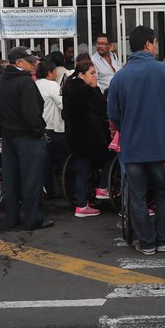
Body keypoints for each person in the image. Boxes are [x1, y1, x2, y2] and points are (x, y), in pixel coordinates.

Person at [106, 25, 165, 256]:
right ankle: (164, 240)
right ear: (148, 44)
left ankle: (146, 243)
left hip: (133, 148)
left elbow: (113, 114)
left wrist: (128, 128)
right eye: (155, 43)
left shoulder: (120, 76)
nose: (157, 47)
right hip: (161, 147)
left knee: (137, 196)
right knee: (164, 193)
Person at [0, 46, 51, 231]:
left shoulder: (2, 80)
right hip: (27, 137)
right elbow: (31, 114)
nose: (35, 64)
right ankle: (33, 220)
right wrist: (39, 132)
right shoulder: (25, 82)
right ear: (19, 63)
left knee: (11, 181)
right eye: (31, 61)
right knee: (32, 180)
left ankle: (11, 218)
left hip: (8, 136)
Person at [62, 59, 111, 217]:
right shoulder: (86, 90)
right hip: (91, 138)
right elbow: (103, 107)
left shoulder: (69, 88)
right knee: (112, 155)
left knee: (82, 171)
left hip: (75, 138)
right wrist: (96, 88)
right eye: (92, 73)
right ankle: (103, 188)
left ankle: (82, 205)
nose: (94, 76)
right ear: (82, 75)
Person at [35, 59, 67, 198]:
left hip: (41, 128)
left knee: (45, 163)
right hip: (54, 129)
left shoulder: (34, 84)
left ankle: (50, 191)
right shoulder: (52, 85)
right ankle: (68, 188)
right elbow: (63, 105)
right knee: (64, 161)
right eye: (55, 71)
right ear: (50, 73)